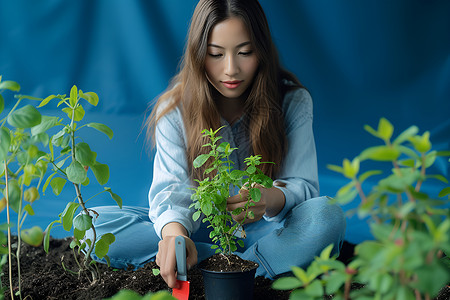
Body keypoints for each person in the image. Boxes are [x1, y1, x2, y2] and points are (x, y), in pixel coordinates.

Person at [87, 0, 346, 289]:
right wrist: (175, 237)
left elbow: (305, 187)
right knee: (91, 225)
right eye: (215, 54)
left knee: (327, 215)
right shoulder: (175, 108)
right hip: (199, 234)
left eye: (245, 52)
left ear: (262, 49)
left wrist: (268, 197)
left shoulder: (292, 102)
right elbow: (172, 191)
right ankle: (241, 267)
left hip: (268, 232)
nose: (231, 69)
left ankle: (221, 270)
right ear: (198, 55)